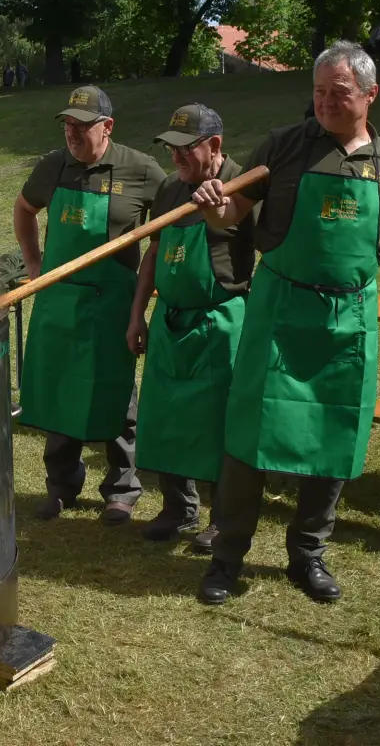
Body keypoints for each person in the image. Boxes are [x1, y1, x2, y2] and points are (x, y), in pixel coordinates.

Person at [190, 41, 380, 606]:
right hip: (279, 312)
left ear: (370, 95)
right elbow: (232, 214)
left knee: (334, 439)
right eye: (318, 92)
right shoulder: (282, 147)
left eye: (338, 93)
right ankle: (227, 558)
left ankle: (307, 555)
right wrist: (209, 204)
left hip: (347, 322)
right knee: (247, 440)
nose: (324, 103)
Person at [16, 86, 166, 524]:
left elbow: (173, 213)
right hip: (60, 299)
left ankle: (121, 488)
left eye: (82, 126)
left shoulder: (139, 169)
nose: (72, 134)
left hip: (111, 301)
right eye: (67, 125)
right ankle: (61, 485)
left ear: (107, 127)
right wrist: (33, 262)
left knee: (116, 390)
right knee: (61, 390)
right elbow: (24, 209)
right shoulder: (53, 166)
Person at [127, 104, 256, 552]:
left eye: (185, 150)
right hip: (170, 321)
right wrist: (137, 314)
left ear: (215, 146)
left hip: (220, 321)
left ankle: (223, 517)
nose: (175, 159)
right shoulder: (169, 189)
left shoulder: (245, 181)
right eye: (170, 150)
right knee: (163, 416)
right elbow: (153, 254)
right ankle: (178, 507)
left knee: (221, 423)